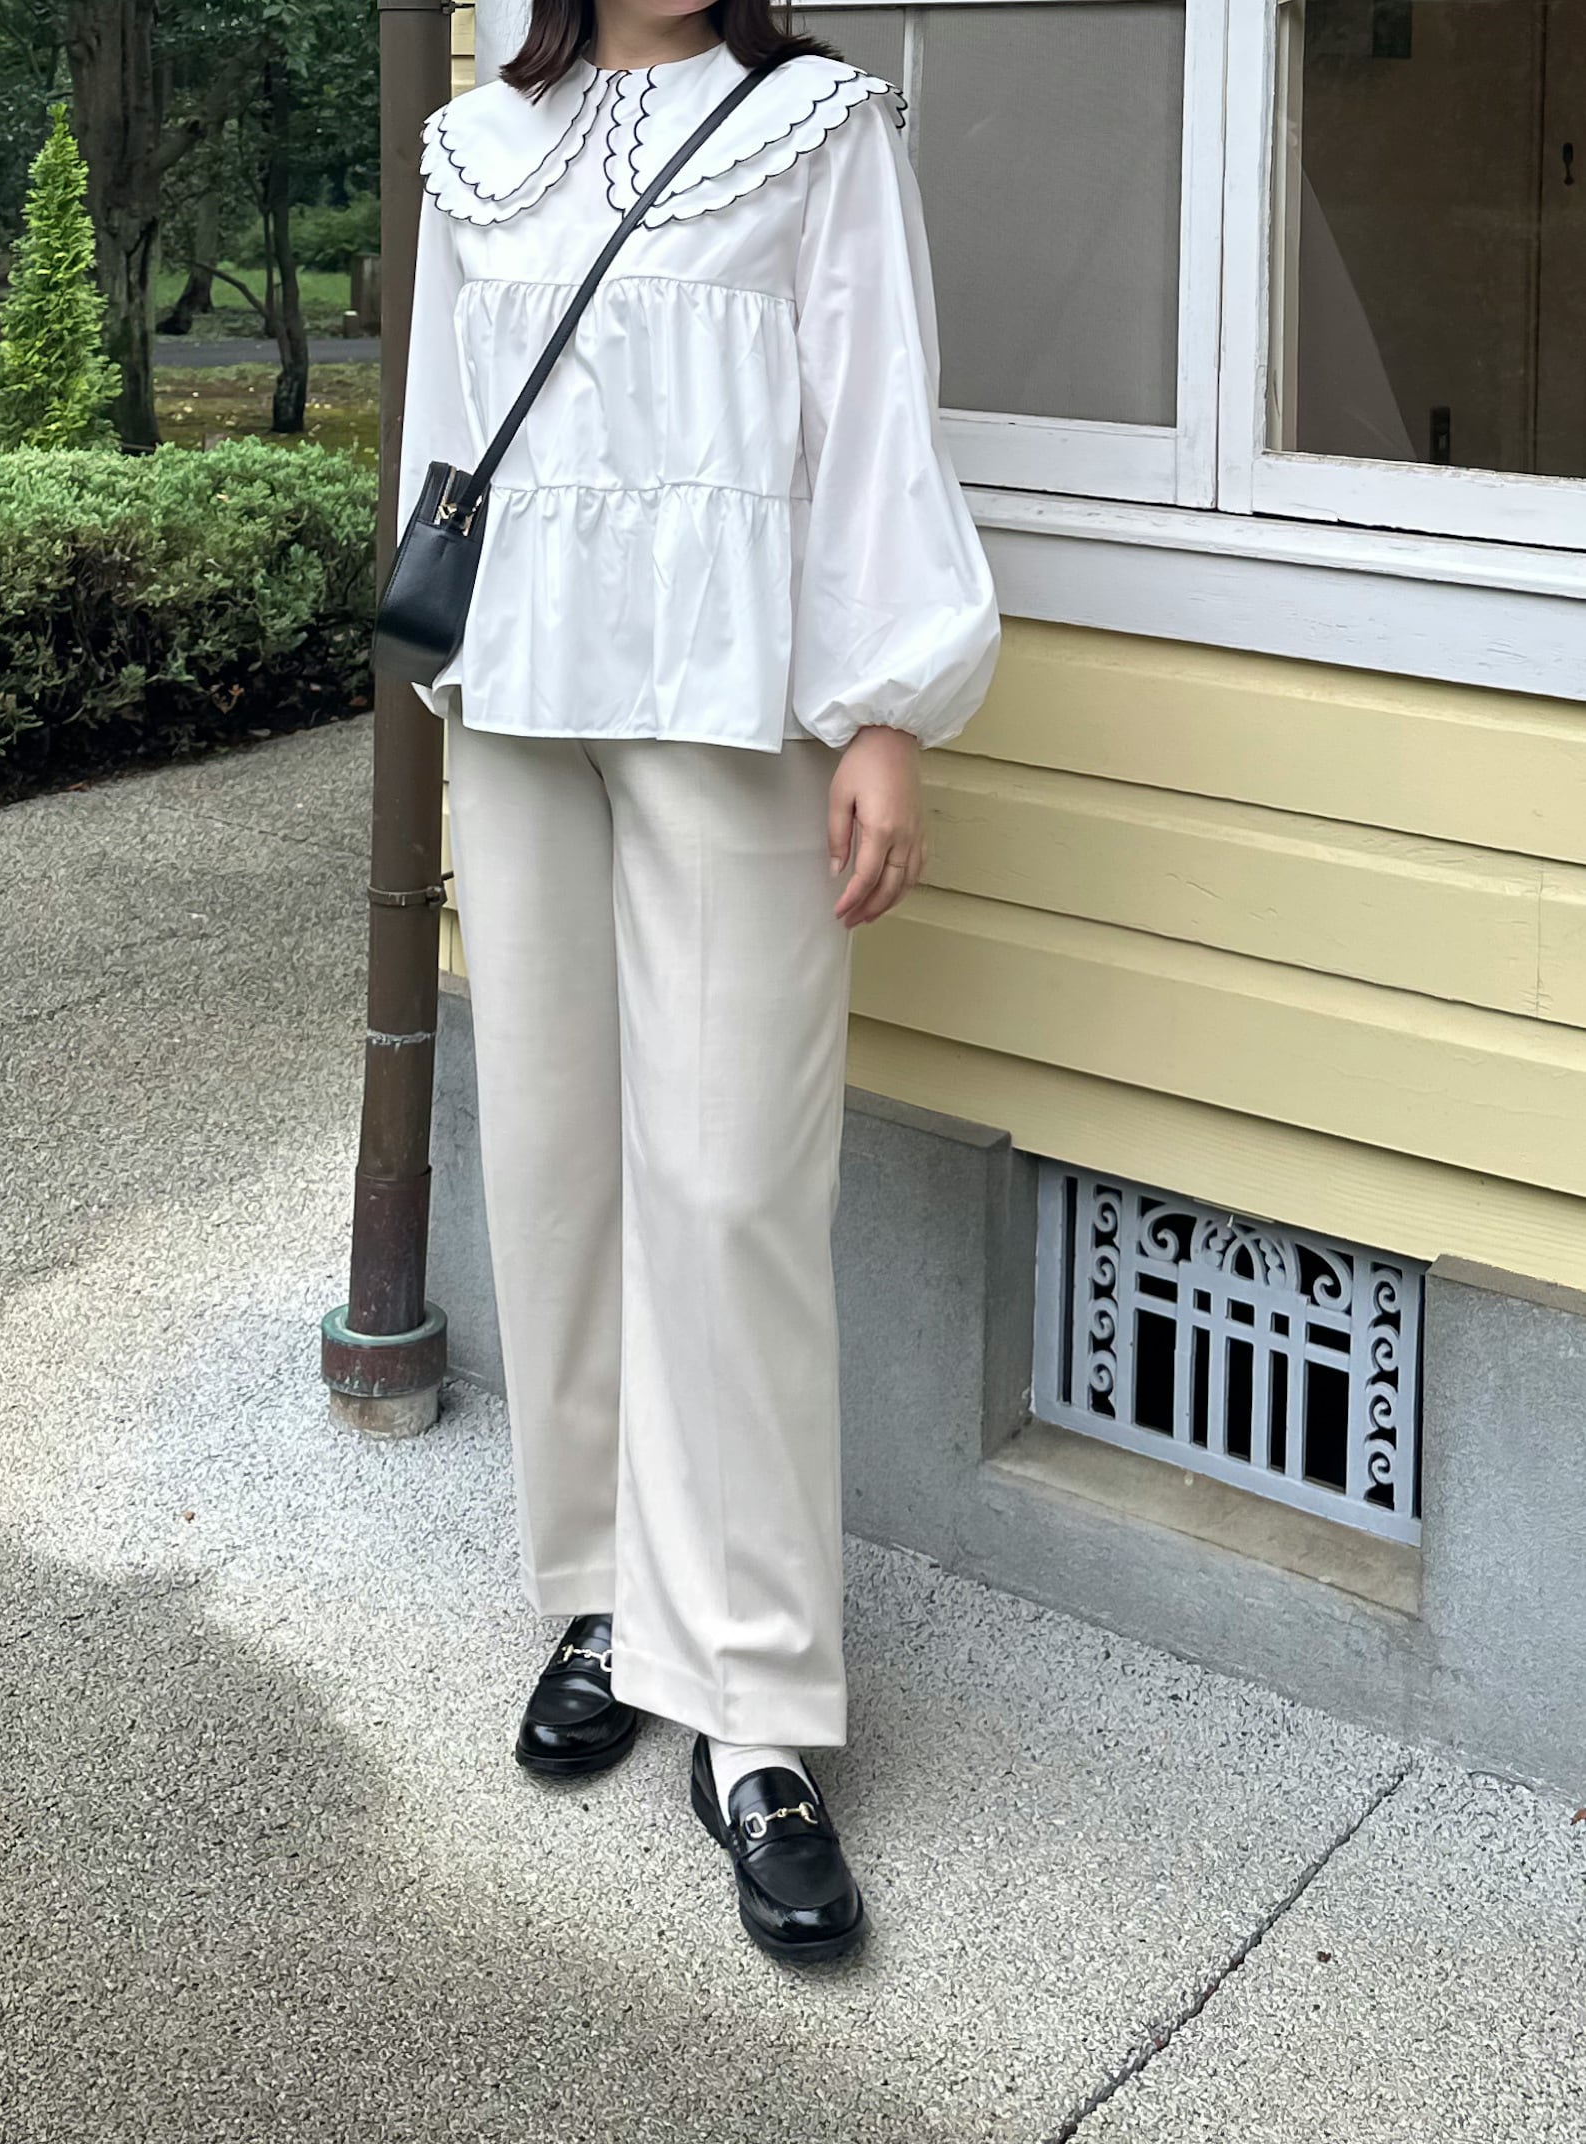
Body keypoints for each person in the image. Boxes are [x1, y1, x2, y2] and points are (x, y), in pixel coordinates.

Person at [397, 0, 999, 1964]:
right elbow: (447, 433)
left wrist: (888, 708)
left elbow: (873, 417)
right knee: (556, 1163)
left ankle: (752, 1708)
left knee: (733, 1189)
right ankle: (601, 1594)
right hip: (522, 704)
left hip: (740, 707)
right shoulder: (479, 146)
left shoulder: (814, 129)